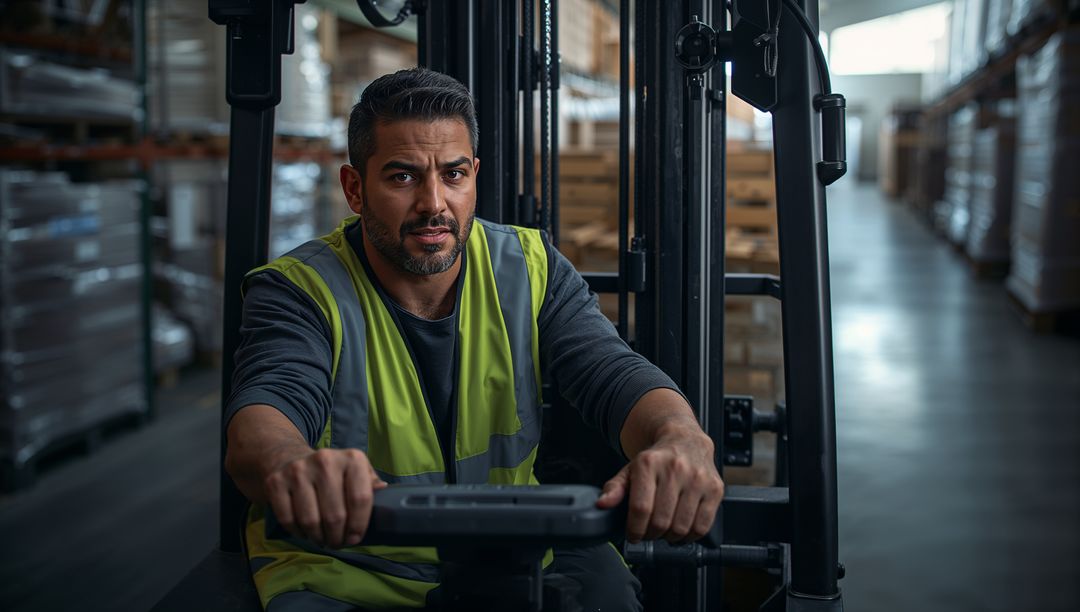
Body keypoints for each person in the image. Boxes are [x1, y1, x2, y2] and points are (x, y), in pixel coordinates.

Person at [224, 67, 724, 611]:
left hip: (511, 547)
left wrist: (678, 435)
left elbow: (610, 370)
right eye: (402, 177)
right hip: (348, 567)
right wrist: (291, 464)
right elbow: (264, 416)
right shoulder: (301, 290)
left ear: (475, 176)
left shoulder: (529, 269)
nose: (434, 203)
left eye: (454, 174)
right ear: (354, 189)